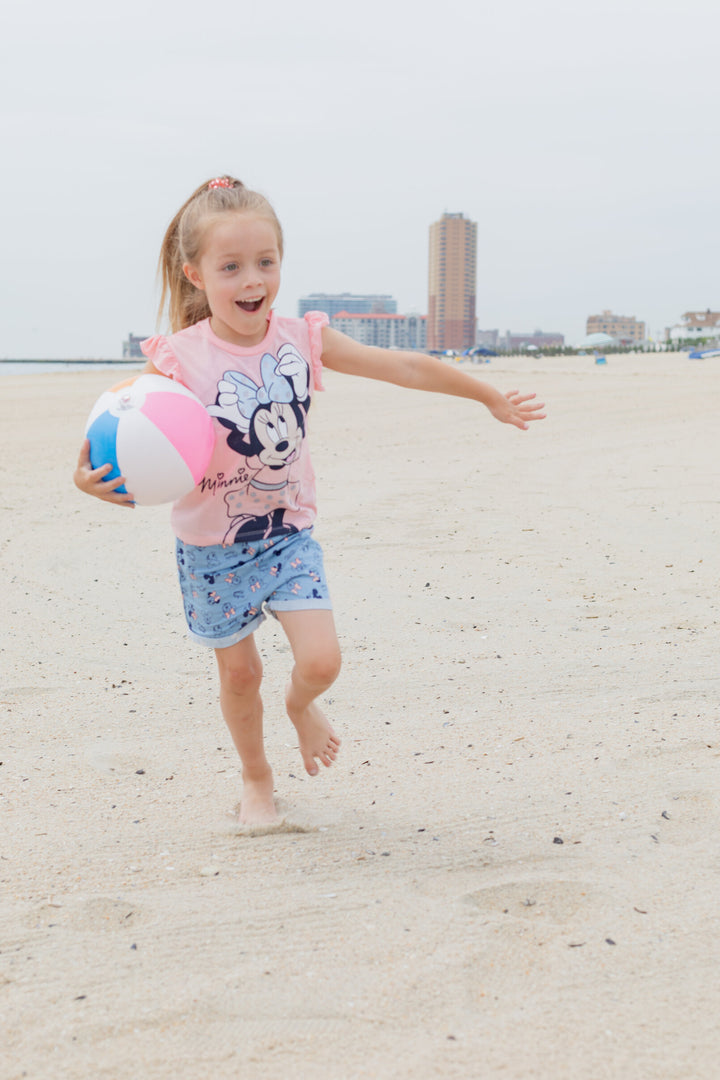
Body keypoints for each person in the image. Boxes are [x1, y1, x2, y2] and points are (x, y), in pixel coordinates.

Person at [74, 175, 546, 827]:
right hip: (211, 552)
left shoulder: (300, 340)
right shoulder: (177, 360)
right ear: (195, 273)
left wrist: (485, 395)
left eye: (266, 262)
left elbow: (401, 366)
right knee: (240, 678)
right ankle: (257, 778)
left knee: (321, 661)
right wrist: (91, 480)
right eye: (232, 266)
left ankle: (300, 708)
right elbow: (125, 434)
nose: (253, 280)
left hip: (288, 535)